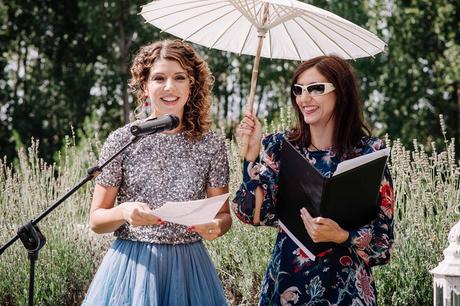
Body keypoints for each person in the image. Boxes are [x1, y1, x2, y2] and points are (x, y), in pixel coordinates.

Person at [233, 55, 394, 306]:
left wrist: (342, 235)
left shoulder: (370, 153)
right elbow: (251, 214)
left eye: (315, 88)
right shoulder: (279, 147)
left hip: (346, 291)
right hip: (287, 284)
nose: (304, 98)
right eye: (298, 90)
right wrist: (251, 156)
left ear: (340, 92)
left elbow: (383, 246)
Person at [82, 39, 231, 306]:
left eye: (179, 77)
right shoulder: (122, 140)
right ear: (144, 86)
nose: (169, 87)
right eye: (159, 78)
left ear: (192, 85)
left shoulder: (212, 144)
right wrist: (124, 211)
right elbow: (96, 220)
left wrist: (216, 227)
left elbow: (223, 215)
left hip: (190, 270)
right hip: (132, 269)